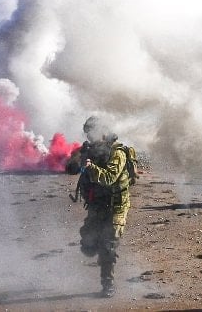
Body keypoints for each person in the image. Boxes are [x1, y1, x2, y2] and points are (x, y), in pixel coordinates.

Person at [67, 116, 134, 298]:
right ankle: (98, 250)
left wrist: (91, 168)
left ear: (102, 132)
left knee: (108, 246)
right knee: (87, 244)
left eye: (92, 134)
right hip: (97, 204)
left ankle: (108, 284)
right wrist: (77, 162)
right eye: (87, 135)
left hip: (116, 206)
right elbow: (71, 167)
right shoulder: (91, 150)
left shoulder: (117, 152)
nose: (89, 138)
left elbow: (109, 177)